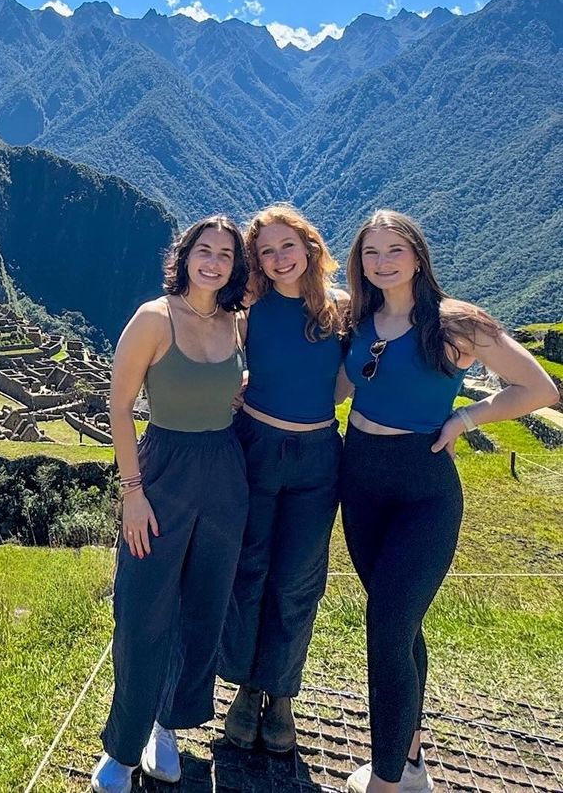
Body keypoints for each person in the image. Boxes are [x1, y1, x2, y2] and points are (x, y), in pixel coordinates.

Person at [340, 210, 557, 793]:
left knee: (386, 625)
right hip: (358, 480)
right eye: (370, 253)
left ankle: (386, 782)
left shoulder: (455, 322)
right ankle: (410, 760)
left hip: (423, 490)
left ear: (417, 256)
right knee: (402, 626)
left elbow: (538, 387)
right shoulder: (360, 315)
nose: (382, 263)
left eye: (394, 251)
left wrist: (466, 417)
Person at [91, 216, 250, 793]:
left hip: (225, 472)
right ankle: (121, 747)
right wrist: (132, 494)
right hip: (162, 470)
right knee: (142, 608)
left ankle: (168, 723)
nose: (213, 262)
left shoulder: (237, 323)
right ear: (184, 257)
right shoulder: (153, 320)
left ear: (236, 266)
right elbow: (120, 404)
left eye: (226, 255)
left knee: (203, 608)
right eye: (203, 251)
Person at [219, 204, 347, 754]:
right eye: (265, 252)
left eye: (285, 247)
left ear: (309, 245)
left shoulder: (342, 310)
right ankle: (247, 689)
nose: (277, 259)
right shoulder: (253, 307)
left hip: (319, 455)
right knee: (250, 568)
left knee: (297, 580)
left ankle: (282, 693)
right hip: (257, 446)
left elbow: (352, 379)